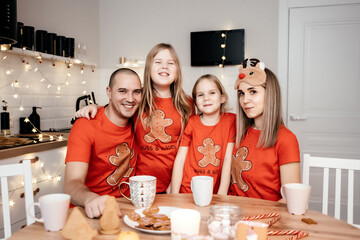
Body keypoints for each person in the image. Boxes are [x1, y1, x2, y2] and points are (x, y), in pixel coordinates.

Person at [75, 43, 193, 194]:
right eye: (158, 62)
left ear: (177, 70)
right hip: (140, 184)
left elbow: (189, 147)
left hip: (175, 185)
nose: (165, 67)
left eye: (171, 63)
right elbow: (117, 106)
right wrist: (96, 107)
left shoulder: (187, 103)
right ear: (149, 68)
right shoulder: (138, 97)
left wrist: (175, 186)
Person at [64, 68, 142, 218]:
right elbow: (71, 184)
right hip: (87, 211)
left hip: (125, 208)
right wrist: (91, 199)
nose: (130, 98)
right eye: (122, 91)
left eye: (136, 92)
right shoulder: (85, 125)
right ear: (109, 92)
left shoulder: (138, 120)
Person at [229, 58, 300, 201]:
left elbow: (291, 198)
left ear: (270, 94)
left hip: (265, 218)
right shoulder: (237, 131)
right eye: (241, 93)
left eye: (253, 92)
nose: (245, 100)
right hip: (233, 213)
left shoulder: (286, 139)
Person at [171, 74, 235, 195]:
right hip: (188, 189)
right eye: (200, 95)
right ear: (195, 101)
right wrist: (174, 193)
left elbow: (228, 159)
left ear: (222, 98)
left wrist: (222, 193)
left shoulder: (231, 121)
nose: (206, 98)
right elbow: (180, 159)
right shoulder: (192, 122)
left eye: (212, 93)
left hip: (215, 191)